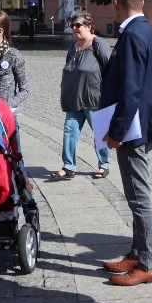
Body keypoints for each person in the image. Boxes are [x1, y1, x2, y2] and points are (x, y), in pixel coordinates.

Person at [100, 0, 152, 286]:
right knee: (134, 194)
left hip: (134, 127)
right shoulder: (150, 31)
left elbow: (131, 90)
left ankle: (148, 263)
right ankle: (138, 251)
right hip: (145, 122)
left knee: (139, 196)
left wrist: (116, 131)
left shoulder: (131, 36)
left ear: (117, 2)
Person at [51, 11, 111, 179]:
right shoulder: (73, 47)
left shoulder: (98, 44)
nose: (74, 28)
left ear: (89, 26)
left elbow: (111, 69)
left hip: (94, 99)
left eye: (78, 25)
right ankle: (68, 166)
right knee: (69, 131)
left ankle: (104, 165)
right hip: (74, 98)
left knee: (100, 133)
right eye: (72, 26)